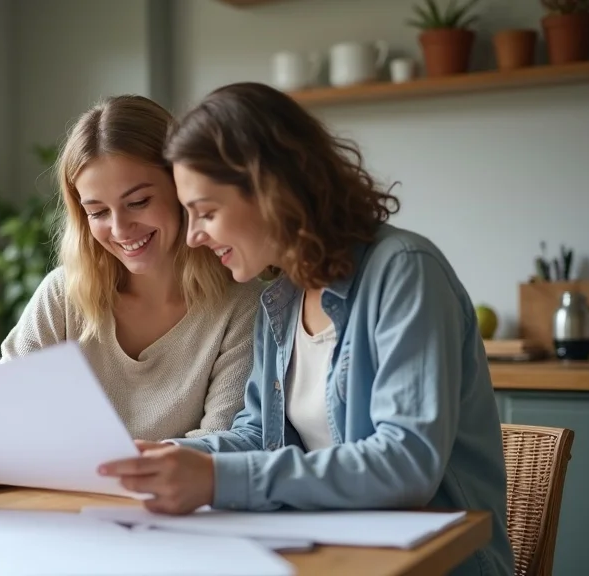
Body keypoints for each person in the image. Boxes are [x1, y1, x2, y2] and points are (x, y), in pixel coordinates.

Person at [97, 82, 514, 576]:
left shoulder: (405, 271)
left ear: (272, 191)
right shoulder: (283, 295)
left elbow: (405, 463)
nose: (194, 236)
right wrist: (165, 457)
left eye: (207, 212)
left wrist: (216, 480)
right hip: (337, 552)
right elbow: (258, 433)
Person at [0, 94, 263, 505]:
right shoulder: (63, 294)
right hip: (59, 518)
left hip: (176, 526)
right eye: (97, 212)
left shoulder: (241, 303)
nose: (120, 228)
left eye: (138, 202)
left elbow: (224, 449)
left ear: (183, 188)